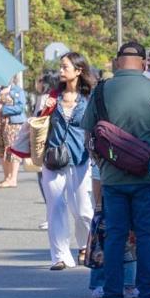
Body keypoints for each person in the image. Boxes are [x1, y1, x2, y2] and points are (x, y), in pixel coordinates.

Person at [83, 41, 150, 298]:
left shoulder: (102, 90)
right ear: (145, 63)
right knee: (147, 237)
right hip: (147, 174)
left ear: (117, 61)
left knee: (114, 236)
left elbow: (90, 135)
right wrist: (143, 144)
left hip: (113, 177)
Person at [41, 52, 97, 270]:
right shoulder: (53, 95)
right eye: (60, 67)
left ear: (78, 70)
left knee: (83, 210)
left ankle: (85, 245)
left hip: (81, 159)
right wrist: (44, 107)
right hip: (54, 158)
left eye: (65, 67)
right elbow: (39, 124)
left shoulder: (90, 97)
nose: (61, 70)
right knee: (55, 207)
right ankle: (60, 256)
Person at [0, 72, 27, 188]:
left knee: (13, 151)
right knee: (2, 151)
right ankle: (6, 178)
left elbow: (20, 108)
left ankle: (13, 179)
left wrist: (3, 108)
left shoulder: (18, 91)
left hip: (12, 125)